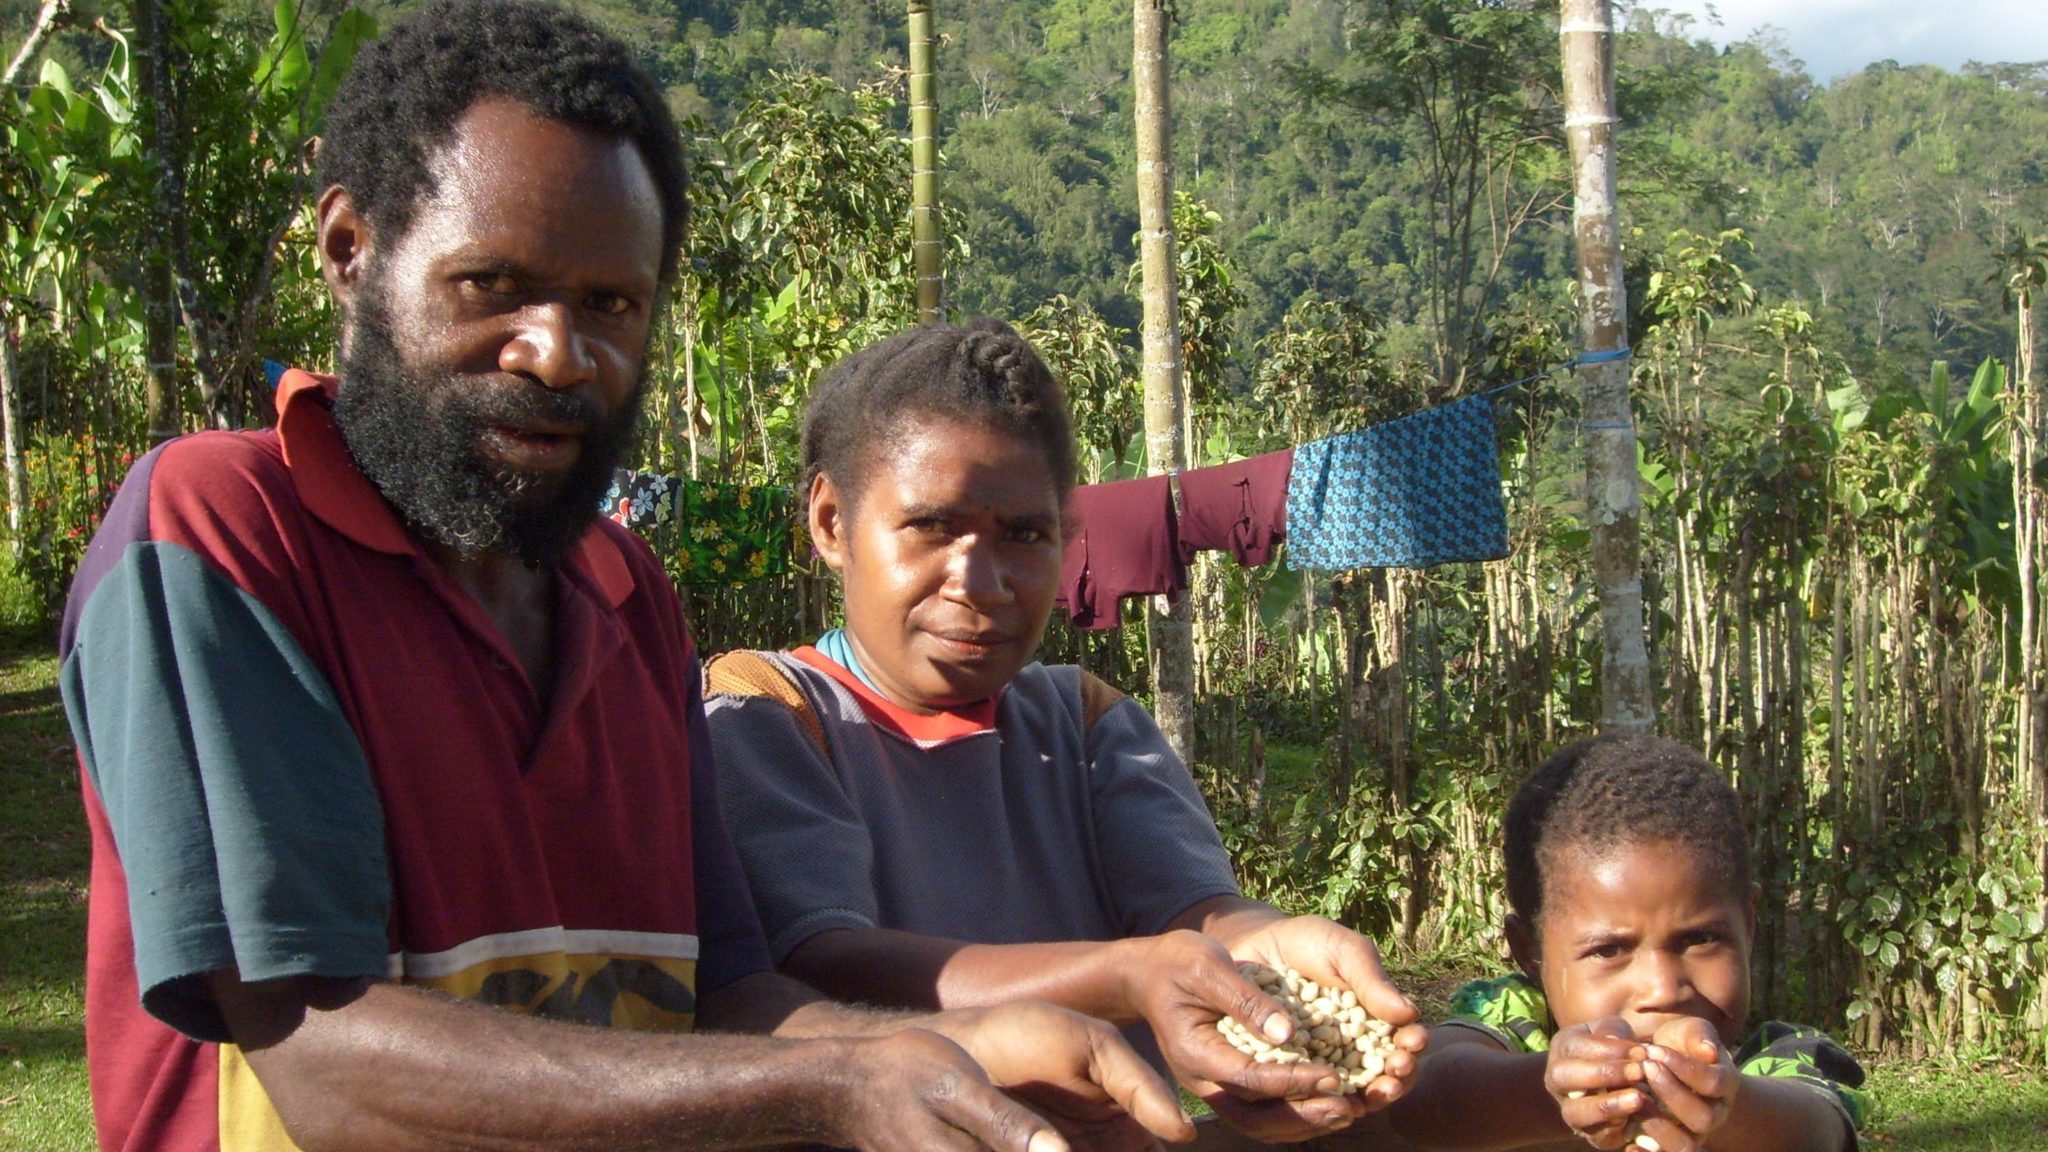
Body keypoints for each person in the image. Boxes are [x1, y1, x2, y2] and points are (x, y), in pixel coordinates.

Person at [55, 5, 1194, 1151]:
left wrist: (966, 1058)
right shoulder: (226, 530)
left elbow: (735, 1000)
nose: (556, 352)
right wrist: (838, 1090)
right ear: (351, 250)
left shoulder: (625, 592)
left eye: (610, 303)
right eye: (491, 285)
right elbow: (322, 1057)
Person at [702, 320, 1428, 1148]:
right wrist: (1127, 975)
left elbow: (1196, 912)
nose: (979, 584)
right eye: (933, 528)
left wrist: (1268, 951)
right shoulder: (768, 712)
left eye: (1025, 535)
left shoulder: (1083, 720)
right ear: (832, 522)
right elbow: (826, 960)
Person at [1385, 734, 1866, 1152]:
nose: (1662, 989)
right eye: (1609, 950)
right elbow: (1424, 1099)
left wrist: (1724, 1105)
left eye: (1699, 939)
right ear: (1530, 953)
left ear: (1749, 927)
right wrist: (1558, 1094)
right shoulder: (1515, 1022)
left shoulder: (1778, 1060)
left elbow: (1817, 1133)